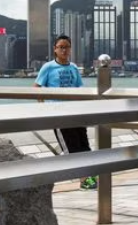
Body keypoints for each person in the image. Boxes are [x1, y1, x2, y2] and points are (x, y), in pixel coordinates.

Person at [35, 35, 95, 189]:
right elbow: (36, 88)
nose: (64, 50)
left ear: (70, 49)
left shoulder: (74, 67)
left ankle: (88, 176)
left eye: (67, 47)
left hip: (75, 113)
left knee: (84, 145)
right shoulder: (48, 67)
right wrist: (43, 108)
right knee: (70, 147)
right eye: (60, 47)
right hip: (58, 114)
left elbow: (79, 90)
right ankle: (83, 179)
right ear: (55, 49)